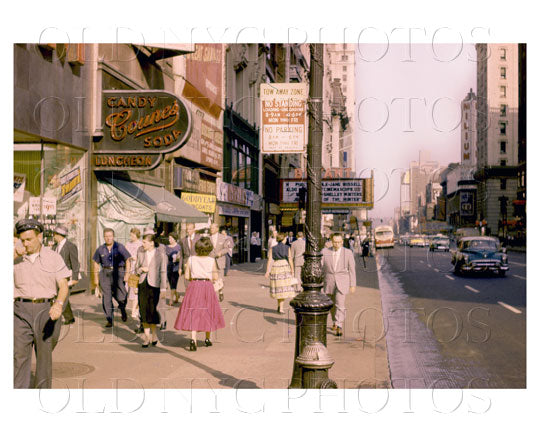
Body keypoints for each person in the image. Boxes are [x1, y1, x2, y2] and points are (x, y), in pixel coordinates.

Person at [14, 219, 70, 388]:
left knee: (44, 360)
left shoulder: (53, 258)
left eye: (29, 239)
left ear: (39, 237)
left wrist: (58, 304)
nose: (25, 244)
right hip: (19, 311)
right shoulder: (14, 258)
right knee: (18, 357)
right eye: (22, 240)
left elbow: (63, 286)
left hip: (46, 311)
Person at [174, 237, 225, 351]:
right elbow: (215, 276)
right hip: (207, 286)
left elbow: (187, 276)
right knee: (208, 311)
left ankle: (193, 339)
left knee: (194, 311)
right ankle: (207, 338)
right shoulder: (211, 260)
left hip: (194, 286)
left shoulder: (191, 259)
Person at [134, 230, 168, 347]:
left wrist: (164, 289)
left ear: (151, 243)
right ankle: (146, 337)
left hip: (155, 285)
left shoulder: (161, 255)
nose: (142, 244)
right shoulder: (141, 253)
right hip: (143, 283)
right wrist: (141, 270)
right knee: (143, 310)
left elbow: (163, 272)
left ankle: (154, 335)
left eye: (144, 242)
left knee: (152, 310)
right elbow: (136, 269)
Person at [92, 228, 131, 327]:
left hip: (118, 273)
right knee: (107, 297)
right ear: (104, 237)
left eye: (110, 236)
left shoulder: (120, 247)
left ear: (113, 236)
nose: (108, 238)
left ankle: (122, 308)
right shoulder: (100, 249)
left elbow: (128, 260)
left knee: (121, 296)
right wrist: (96, 278)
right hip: (105, 274)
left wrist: (127, 274)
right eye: (106, 236)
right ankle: (109, 318)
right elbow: (96, 263)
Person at [322, 233, 356, 337]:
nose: (336, 244)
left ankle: (339, 325)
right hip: (329, 281)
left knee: (340, 304)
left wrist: (353, 284)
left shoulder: (348, 252)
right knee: (331, 305)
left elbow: (352, 269)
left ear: (342, 242)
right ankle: (334, 321)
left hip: (342, 282)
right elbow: (320, 266)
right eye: (334, 242)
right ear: (331, 242)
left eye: (338, 242)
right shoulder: (325, 251)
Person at [265, 232, 300, 314]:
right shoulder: (287, 247)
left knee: (278, 288)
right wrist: (292, 270)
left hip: (276, 267)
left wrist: (267, 271)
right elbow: (290, 259)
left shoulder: (272, 248)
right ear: (283, 239)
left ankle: (279, 306)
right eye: (285, 238)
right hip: (284, 266)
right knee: (283, 289)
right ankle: (281, 308)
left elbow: (270, 260)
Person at [52, 224, 80, 325]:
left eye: (54, 234)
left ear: (59, 235)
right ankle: (69, 317)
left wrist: (75, 277)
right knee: (62, 296)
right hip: (56, 276)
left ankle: (55, 320)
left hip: (67, 276)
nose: (53, 236)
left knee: (62, 297)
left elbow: (75, 263)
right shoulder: (55, 246)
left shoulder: (70, 246)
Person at [125, 228, 143, 330]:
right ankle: (134, 308)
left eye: (132, 235)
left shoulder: (141, 245)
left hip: (137, 270)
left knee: (136, 290)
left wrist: (136, 258)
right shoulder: (128, 244)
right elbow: (126, 257)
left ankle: (134, 310)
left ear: (137, 235)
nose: (131, 237)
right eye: (130, 235)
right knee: (131, 289)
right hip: (130, 269)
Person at [209, 223, 228, 302]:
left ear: (217, 229)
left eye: (213, 228)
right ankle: (212, 294)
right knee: (212, 278)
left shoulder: (223, 238)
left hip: (220, 261)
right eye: (210, 228)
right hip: (211, 261)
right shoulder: (208, 238)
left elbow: (226, 249)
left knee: (220, 279)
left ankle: (220, 292)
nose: (211, 229)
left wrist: (221, 253)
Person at [180, 223, 201, 296]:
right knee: (187, 283)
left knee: (196, 283)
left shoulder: (199, 239)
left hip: (197, 264)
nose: (188, 231)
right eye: (187, 229)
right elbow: (181, 255)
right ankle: (189, 298)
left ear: (194, 229)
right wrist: (180, 267)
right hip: (186, 264)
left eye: (190, 229)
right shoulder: (183, 240)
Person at [166, 232, 182, 304]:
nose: (169, 240)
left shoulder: (179, 247)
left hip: (176, 267)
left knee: (174, 283)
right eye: (169, 238)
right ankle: (177, 295)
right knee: (171, 283)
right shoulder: (167, 247)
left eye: (171, 238)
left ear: (175, 239)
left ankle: (171, 300)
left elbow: (181, 256)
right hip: (169, 267)